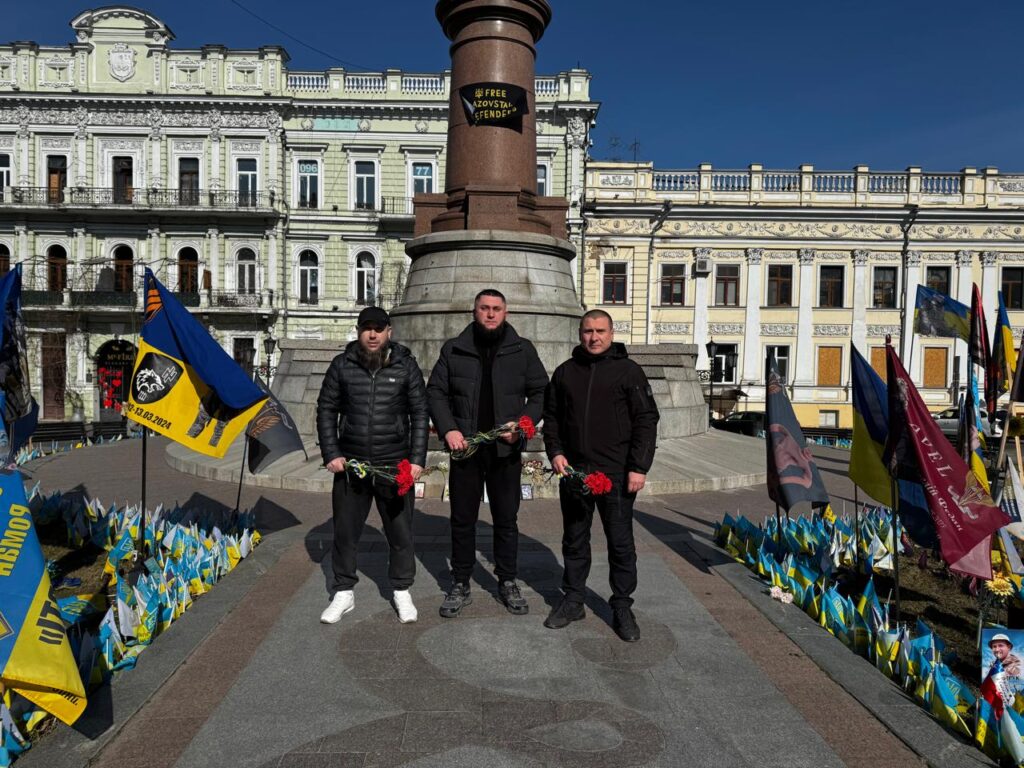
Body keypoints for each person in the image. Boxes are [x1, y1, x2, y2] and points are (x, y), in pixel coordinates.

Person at [427, 289, 548, 617]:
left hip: (504, 449)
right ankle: (461, 582)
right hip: (465, 449)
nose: (490, 314)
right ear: (475, 310)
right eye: (484, 308)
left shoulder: (522, 350)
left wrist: (523, 424)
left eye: (496, 309)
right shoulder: (454, 348)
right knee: (462, 519)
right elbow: (436, 391)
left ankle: (507, 580)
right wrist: (448, 428)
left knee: (506, 518)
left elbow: (540, 391)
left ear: (505, 312)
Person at [542, 309, 659, 642]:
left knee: (620, 543)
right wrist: (556, 451)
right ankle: (574, 598)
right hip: (576, 473)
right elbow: (551, 417)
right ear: (580, 334)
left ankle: (621, 605)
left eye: (600, 331)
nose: (594, 337)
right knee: (575, 539)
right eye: (588, 331)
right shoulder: (565, 372)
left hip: (618, 473)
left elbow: (646, 420)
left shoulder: (629, 372)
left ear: (611, 333)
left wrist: (639, 466)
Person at [316, 306, 428, 624]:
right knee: (345, 532)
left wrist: (416, 460)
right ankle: (343, 592)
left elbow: (420, 413)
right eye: (367, 328)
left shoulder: (406, 365)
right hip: (352, 466)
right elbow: (326, 409)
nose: (373, 334)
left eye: (379, 328)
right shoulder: (342, 366)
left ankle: (402, 590)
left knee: (400, 532)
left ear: (389, 331)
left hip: (394, 465)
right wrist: (331, 453)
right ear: (358, 331)